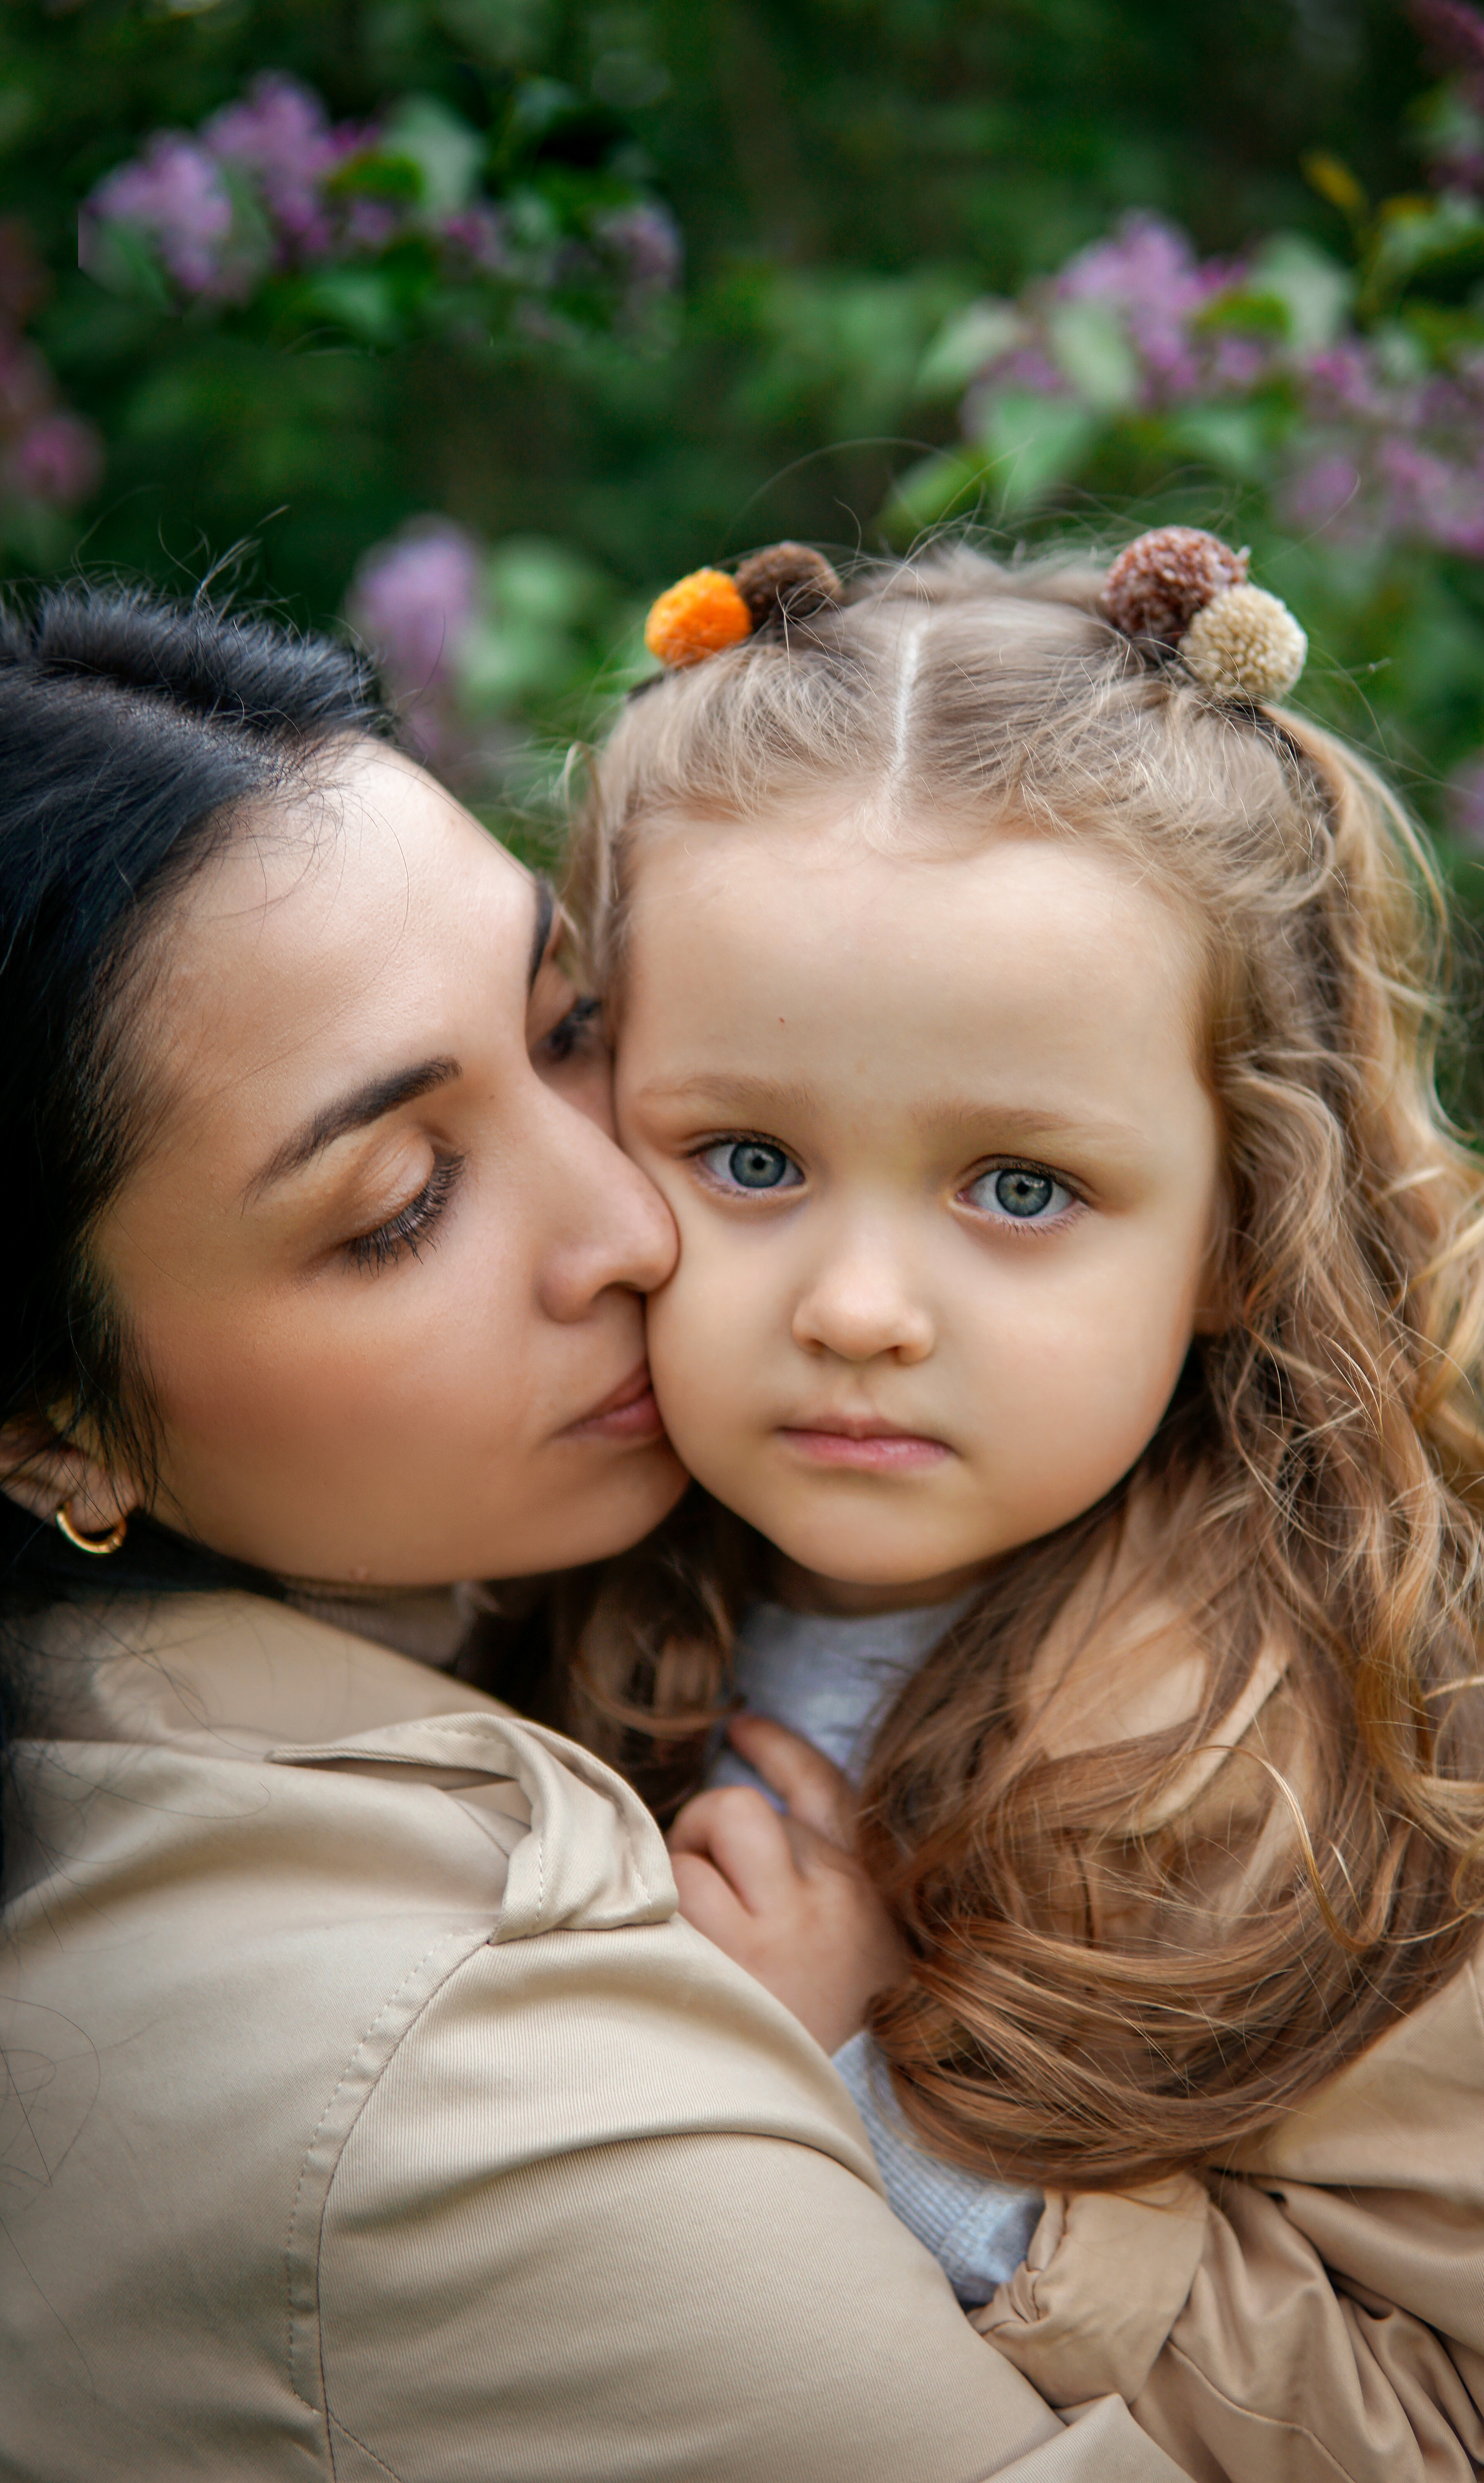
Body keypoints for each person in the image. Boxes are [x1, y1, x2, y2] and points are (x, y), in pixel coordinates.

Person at [0, 584, 1186, 2482]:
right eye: (399, 1205)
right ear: (53, 1428)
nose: (638, 1230)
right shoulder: (465, 2084)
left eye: (572, 1032)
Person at [558, 534, 1484, 2482]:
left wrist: (876, 2098)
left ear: (1243, 1227)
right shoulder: (532, 1594)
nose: (860, 1311)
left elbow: (1466, 2430)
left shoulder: (1332, 1786)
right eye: (748, 1156)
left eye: (1021, 1188)